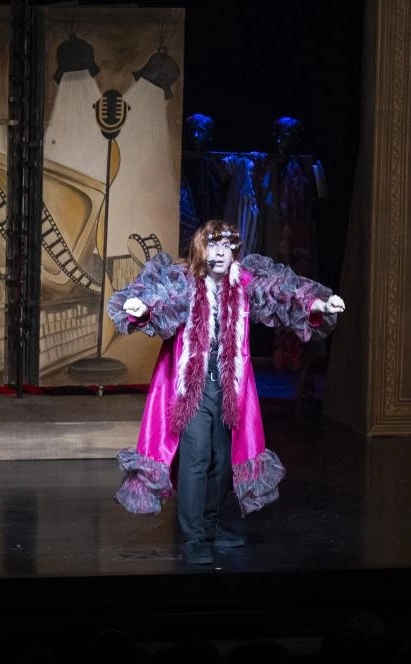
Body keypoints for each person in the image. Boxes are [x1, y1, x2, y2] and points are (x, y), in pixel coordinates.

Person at [107, 219, 345, 566]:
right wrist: (142, 308)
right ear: (201, 248)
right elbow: (158, 297)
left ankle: (210, 526)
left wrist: (318, 305)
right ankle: (192, 537)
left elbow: (281, 291)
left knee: (222, 460)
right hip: (192, 388)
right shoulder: (184, 281)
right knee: (196, 458)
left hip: (229, 387)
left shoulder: (243, 281)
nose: (219, 253)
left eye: (226, 246)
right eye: (212, 245)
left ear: (235, 251)